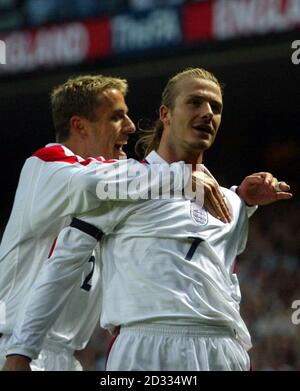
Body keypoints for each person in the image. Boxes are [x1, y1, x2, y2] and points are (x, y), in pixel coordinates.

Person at [2, 68, 292, 371]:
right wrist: (21, 351)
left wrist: (241, 203)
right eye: (194, 102)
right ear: (165, 114)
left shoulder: (229, 203)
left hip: (221, 350)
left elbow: (226, 279)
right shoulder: (119, 184)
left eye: (216, 108)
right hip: (144, 348)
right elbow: (61, 266)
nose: (207, 113)